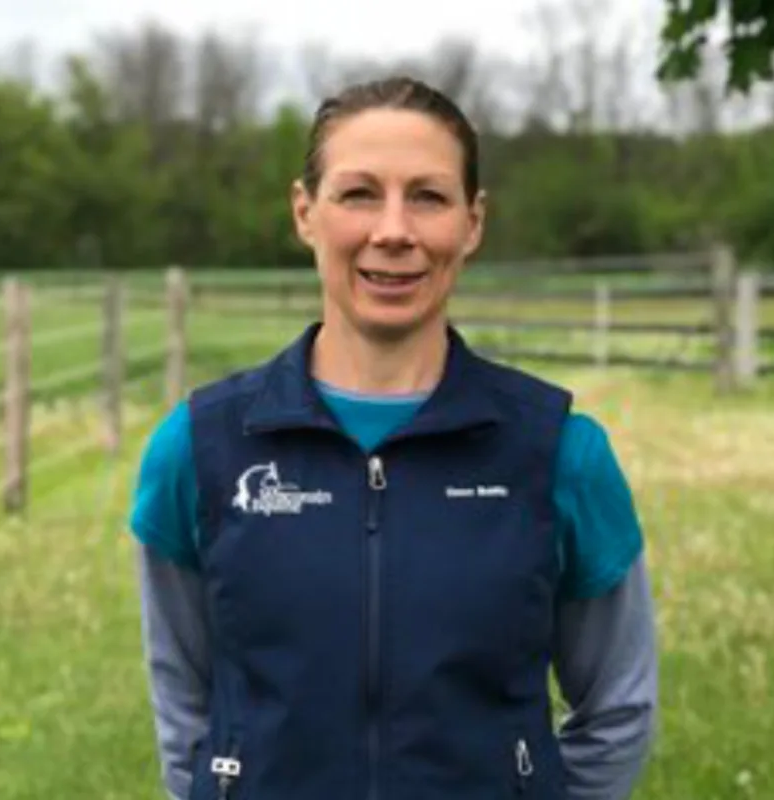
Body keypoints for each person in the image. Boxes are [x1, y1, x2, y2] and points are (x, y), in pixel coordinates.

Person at [129, 76, 658, 800]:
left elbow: (618, 709)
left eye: (429, 197)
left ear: (472, 222)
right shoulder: (199, 450)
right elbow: (184, 708)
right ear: (304, 212)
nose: (393, 231)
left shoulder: (561, 454)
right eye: (359, 194)